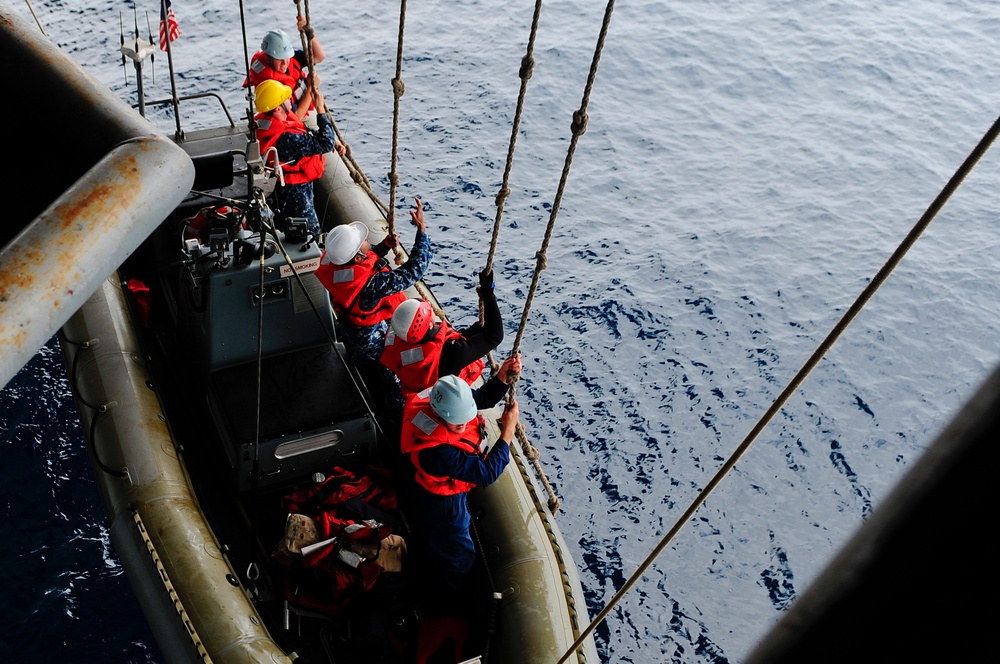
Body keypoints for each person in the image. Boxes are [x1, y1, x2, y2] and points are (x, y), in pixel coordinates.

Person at [400, 375, 519, 596]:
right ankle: (446, 596)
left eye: (466, 417)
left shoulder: (443, 396)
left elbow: (482, 397)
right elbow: (487, 473)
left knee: (433, 537)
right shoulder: (439, 453)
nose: (464, 425)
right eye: (458, 422)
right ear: (440, 414)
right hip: (443, 503)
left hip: (426, 490)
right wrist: (507, 432)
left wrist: (502, 378)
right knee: (460, 556)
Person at [315, 199, 433, 422]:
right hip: (371, 338)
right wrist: (422, 231)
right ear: (358, 256)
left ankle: (364, 375)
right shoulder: (372, 286)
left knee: (362, 361)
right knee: (394, 383)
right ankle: (392, 421)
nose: (366, 240)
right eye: (363, 242)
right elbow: (415, 270)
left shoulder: (335, 262)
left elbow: (358, 266)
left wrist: (384, 247)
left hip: (351, 327)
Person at [379, 271, 521, 404]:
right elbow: (494, 336)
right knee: (480, 400)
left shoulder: (401, 338)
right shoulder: (451, 356)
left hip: (416, 387)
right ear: (429, 325)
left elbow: (455, 340)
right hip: (442, 400)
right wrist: (489, 293)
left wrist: (477, 329)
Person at [253, 79, 341, 236]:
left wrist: (334, 140)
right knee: (310, 233)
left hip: (283, 185)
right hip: (296, 192)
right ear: (278, 108)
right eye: (285, 98)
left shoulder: (265, 122)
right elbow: (325, 143)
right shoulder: (287, 139)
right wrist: (320, 110)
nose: (290, 99)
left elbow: (302, 130)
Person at [245, 17, 326, 122]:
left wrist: (308, 32)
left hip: (305, 105)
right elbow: (295, 117)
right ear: (267, 58)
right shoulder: (270, 86)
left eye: (286, 57)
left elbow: (319, 56)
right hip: (294, 119)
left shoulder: (290, 58)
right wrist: (312, 87)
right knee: (326, 132)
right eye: (279, 59)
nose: (285, 63)